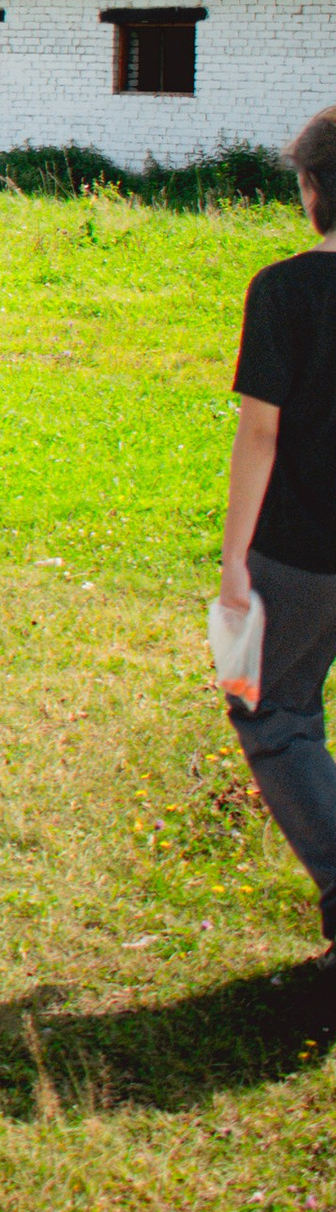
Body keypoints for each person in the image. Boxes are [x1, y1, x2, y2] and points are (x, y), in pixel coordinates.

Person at [218, 106, 336, 969]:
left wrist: (232, 561)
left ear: (310, 191)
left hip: (298, 553)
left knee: (273, 712)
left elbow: (260, 434)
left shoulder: (285, 290)